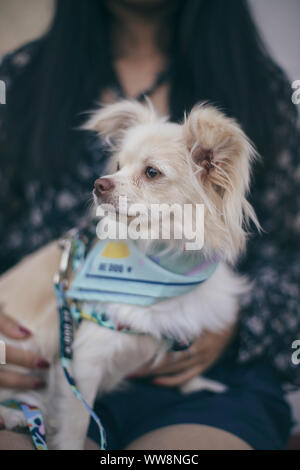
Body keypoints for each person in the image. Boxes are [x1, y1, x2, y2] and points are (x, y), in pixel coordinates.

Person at [0, 0, 299, 450]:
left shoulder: (260, 85)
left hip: (199, 384)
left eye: (151, 173)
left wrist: (230, 321)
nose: (108, 182)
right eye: (120, 166)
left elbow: (293, 252)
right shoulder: (20, 78)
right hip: (38, 372)